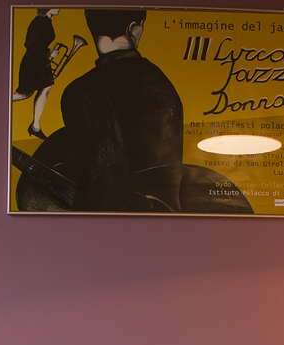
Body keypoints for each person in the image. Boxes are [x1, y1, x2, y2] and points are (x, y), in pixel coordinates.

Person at [58, 9, 184, 211]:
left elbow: (104, 181)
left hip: (111, 222)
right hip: (166, 217)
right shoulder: (160, 79)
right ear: (133, 27)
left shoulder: (79, 90)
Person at [12, 8, 60, 139]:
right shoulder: (38, 21)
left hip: (40, 62)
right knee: (25, 93)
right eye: (55, 5)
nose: (59, 8)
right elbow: (29, 43)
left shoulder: (46, 21)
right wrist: (48, 52)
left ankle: (35, 126)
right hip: (32, 63)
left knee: (46, 88)